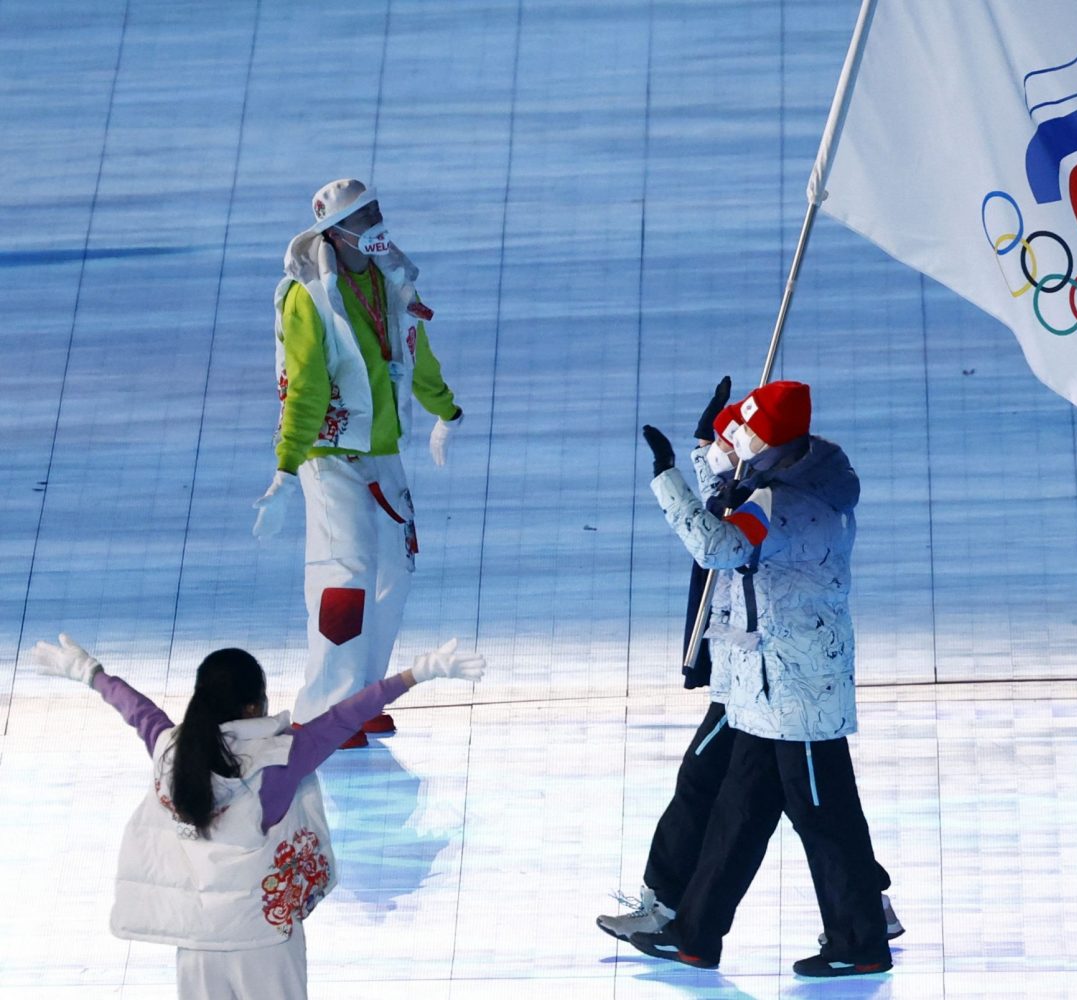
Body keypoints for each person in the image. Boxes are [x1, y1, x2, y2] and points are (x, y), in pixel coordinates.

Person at [596, 380, 901, 947]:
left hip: (786, 683)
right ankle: (689, 924)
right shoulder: (786, 474)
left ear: (775, 445)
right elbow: (733, 487)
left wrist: (667, 481)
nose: (733, 440)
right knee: (736, 803)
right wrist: (698, 448)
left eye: (746, 434)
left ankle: (854, 922)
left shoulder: (791, 504)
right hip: (753, 679)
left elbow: (721, 543)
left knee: (809, 811)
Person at [29, 632, 485, 1000]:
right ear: (253, 707)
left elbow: (140, 713)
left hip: (196, 943)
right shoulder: (279, 761)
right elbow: (344, 717)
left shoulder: (171, 753)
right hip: (264, 943)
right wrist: (417, 674)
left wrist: (90, 673)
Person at [251, 178, 466, 746]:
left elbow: (416, 356)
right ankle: (324, 708)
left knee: (395, 569)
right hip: (329, 454)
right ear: (333, 231)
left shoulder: (393, 280)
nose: (376, 220)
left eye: (376, 208)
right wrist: (284, 470)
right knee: (343, 574)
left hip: (382, 448)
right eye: (363, 214)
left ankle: (362, 693)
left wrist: (447, 412)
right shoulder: (309, 297)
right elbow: (306, 386)